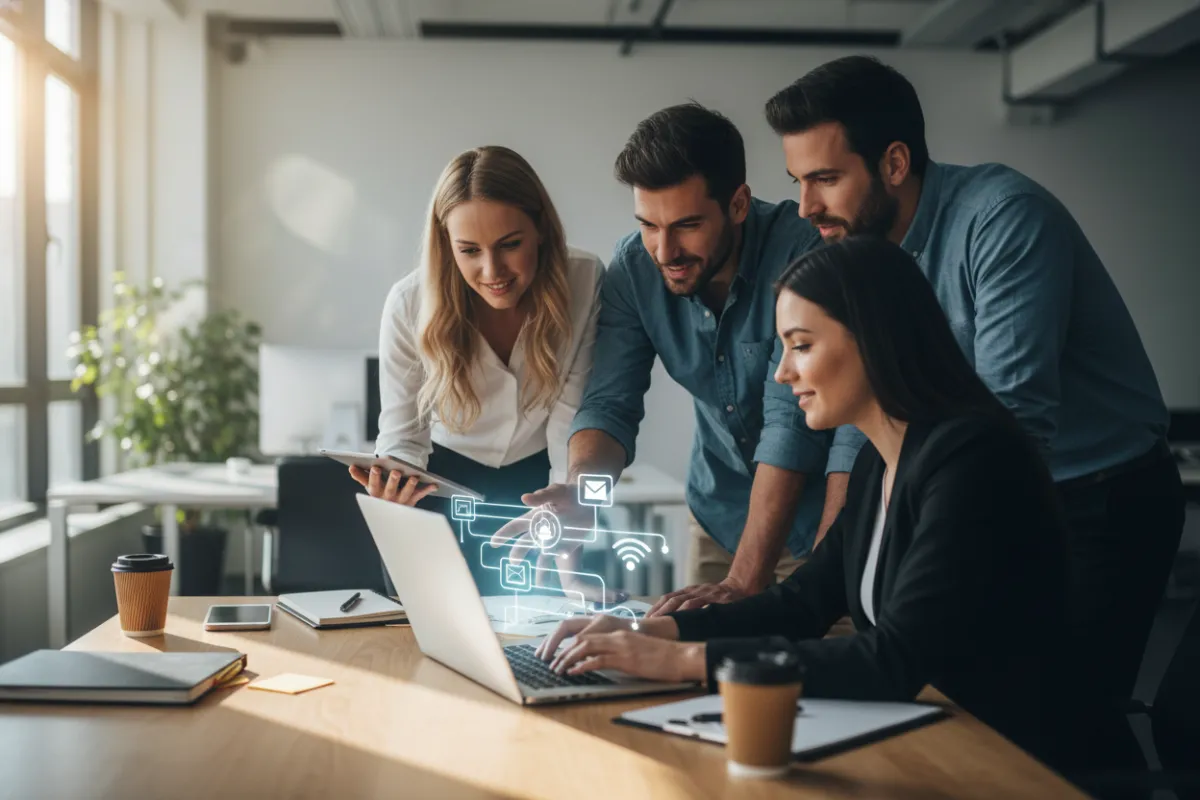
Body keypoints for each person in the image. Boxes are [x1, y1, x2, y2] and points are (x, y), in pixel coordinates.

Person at [762, 55, 1184, 766]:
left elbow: (1012, 424)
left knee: (1046, 726)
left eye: (825, 178)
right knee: (948, 702)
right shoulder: (865, 250)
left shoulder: (1001, 218)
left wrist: (924, 526)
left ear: (894, 162)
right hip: (980, 483)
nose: (805, 207)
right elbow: (874, 402)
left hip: (1098, 498)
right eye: (797, 182)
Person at [537, 237, 1073, 766]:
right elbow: (800, 604)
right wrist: (644, 631)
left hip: (1010, 763)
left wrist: (678, 659)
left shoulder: (972, 460)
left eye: (802, 345)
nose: (781, 372)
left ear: (874, 338)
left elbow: (894, 659)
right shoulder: (880, 462)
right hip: (935, 742)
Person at [490, 104, 841, 610]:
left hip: (818, 530)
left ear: (738, 204)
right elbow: (610, 403)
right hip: (718, 518)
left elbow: (790, 425)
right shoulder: (635, 268)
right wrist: (585, 494)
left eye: (687, 225)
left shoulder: (805, 252)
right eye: (649, 225)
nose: (665, 250)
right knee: (701, 675)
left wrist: (745, 581)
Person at [350, 145, 605, 598]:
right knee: (421, 644)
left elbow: (572, 417)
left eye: (510, 245)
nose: (492, 271)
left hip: (541, 486)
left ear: (541, 228)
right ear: (446, 246)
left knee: (543, 645)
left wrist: (568, 531)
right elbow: (403, 435)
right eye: (469, 251)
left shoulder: (583, 279)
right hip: (439, 491)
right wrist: (393, 487)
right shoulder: (409, 303)